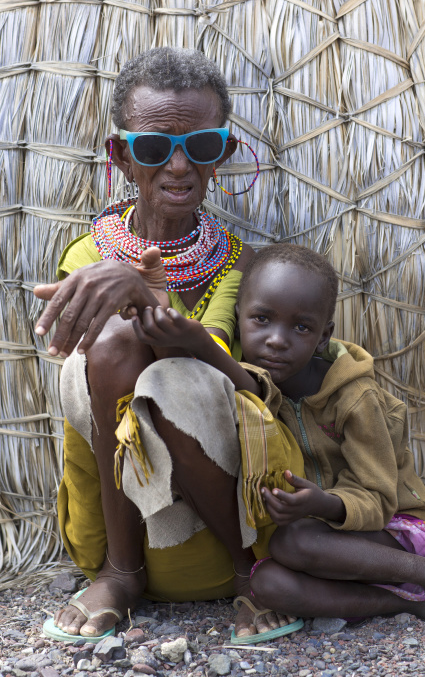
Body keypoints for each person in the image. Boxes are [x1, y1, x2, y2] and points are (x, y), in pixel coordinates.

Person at [34, 47, 300, 643]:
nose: (179, 167)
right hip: (123, 526)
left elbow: (220, 370)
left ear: (223, 155)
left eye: (200, 147)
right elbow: (95, 373)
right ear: (123, 156)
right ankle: (121, 574)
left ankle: (247, 576)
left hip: (223, 528)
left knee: (176, 375)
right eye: (155, 149)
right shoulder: (85, 260)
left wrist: (141, 291)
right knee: (110, 344)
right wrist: (128, 288)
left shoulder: (243, 266)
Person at [129, 243, 425, 637]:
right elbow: (246, 386)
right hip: (324, 540)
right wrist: (195, 340)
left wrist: (323, 503)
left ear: (324, 336)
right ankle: (416, 605)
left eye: (301, 328)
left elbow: (378, 500)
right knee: (267, 584)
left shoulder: (356, 398)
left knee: (293, 543)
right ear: (239, 320)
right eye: (261, 319)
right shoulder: (264, 385)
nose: (276, 340)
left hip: (395, 531)